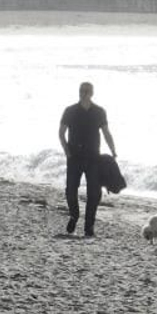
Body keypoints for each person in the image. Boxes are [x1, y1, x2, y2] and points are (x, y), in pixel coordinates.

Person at [58, 81, 117, 238]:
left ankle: (88, 227)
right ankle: (74, 215)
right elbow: (61, 133)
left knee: (94, 194)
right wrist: (66, 151)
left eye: (86, 90)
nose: (83, 93)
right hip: (74, 157)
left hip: (93, 158)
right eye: (81, 90)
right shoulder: (70, 111)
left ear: (92, 93)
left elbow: (106, 133)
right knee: (70, 190)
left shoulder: (99, 112)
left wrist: (113, 150)